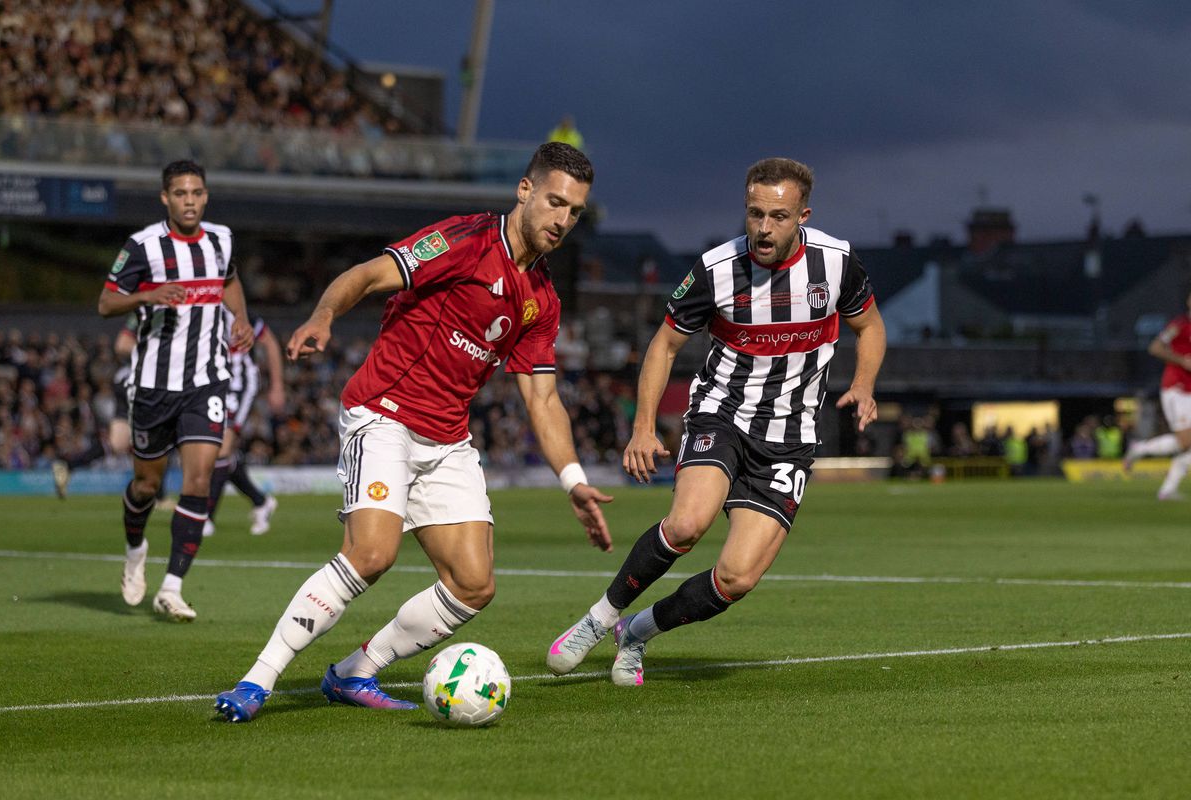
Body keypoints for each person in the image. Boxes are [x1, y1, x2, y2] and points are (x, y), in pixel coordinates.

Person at [215, 142, 614, 723]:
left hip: (447, 438)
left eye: (575, 212)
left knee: (473, 585)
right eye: (555, 202)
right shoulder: (465, 240)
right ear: (524, 191)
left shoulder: (542, 298)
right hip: (384, 414)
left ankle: (355, 671)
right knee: (372, 554)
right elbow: (369, 274)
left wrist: (573, 480)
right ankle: (258, 679)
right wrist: (325, 314)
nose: (562, 220)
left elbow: (542, 396)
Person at [546, 157, 886, 687]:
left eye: (777, 216)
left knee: (737, 576)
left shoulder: (837, 262)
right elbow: (663, 345)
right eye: (754, 214)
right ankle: (599, 618)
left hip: (790, 439)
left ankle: (637, 632)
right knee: (686, 524)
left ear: (803, 215)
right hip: (722, 412)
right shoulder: (716, 270)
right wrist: (643, 427)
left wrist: (863, 385)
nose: (763, 228)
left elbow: (871, 327)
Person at [97, 159, 254, 621]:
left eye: (197, 193)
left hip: (207, 379)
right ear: (165, 198)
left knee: (199, 480)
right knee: (147, 484)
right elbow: (106, 302)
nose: (190, 201)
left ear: (206, 196)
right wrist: (146, 295)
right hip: (152, 385)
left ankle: (172, 586)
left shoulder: (222, 239)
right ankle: (134, 550)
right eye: (181, 194)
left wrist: (240, 318)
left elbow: (230, 282)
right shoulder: (143, 246)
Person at [203, 311, 285, 536]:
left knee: (221, 448)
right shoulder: (199, 310)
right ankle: (261, 501)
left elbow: (269, 342)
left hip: (239, 385)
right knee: (216, 452)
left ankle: (206, 517)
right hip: (211, 386)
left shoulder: (237, 313)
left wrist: (276, 385)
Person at [51, 323, 138, 498]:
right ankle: (157, 496)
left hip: (128, 390)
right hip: (137, 391)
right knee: (158, 437)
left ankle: (69, 465)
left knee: (117, 444)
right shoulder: (130, 372)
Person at [1123, 290, 1191, 499]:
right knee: (1185, 441)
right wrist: (1182, 361)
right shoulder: (1179, 326)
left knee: (1187, 443)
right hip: (1176, 388)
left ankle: (1168, 490)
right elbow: (1155, 347)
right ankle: (1139, 448)